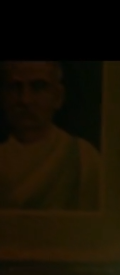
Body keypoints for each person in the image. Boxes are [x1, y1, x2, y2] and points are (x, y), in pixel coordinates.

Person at [0, 60, 102, 211]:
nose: (25, 99)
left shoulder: (84, 157)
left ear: (58, 96)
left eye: (38, 87)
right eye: (15, 87)